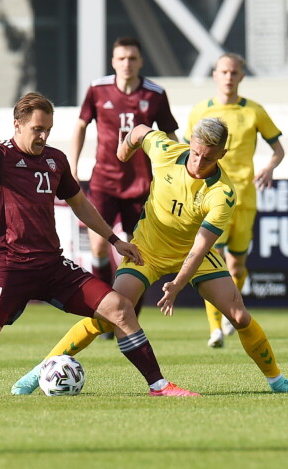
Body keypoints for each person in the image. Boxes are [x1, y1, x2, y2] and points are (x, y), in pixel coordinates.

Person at [0, 92, 196, 397]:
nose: (43, 136)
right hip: (11, 267)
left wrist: (114, 239)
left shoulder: (55, 161)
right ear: (17, 125)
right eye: (37, 129)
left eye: (48, 129)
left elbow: (80, 204)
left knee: (120, 308)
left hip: (52, 267)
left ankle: (159, 386)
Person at [11, 117, 288, 395]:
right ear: (190, 144)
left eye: (208, 157)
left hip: (192, 255)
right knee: (107, 315)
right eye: (195, 153)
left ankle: (278, 381)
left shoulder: (222, 193)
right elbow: (140, 131)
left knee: (239, 316)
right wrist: (124, 150)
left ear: (221, 154)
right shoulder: (166, 150)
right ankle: (38, 372)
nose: (198, 161)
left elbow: (199, 247)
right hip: (147, 250)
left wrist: (177, 285)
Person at [70, 37, 179, 337]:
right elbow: (80, 125)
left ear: (140, 61)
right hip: (104, 180)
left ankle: (126, 319)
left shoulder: (155, 94)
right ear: (113, 61)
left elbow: (171, 136)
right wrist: (72, 165)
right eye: (121, 58)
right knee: (98, 245)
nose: (126, 63)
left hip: (142, 186)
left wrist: (177, 175)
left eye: (132, 58)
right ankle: (103, 310)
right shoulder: (97, 89)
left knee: (137, 254)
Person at [185, 53, 286, 348]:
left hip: (245, 197)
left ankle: (229, 315)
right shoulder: (200, 112)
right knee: (211, 262)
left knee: (237, 267)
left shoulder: (254, 111)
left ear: (241, 76)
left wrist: (269, 167)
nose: (228, 77)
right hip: (214, 198)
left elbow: (278, 149)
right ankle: (215, 328)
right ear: (215, 74)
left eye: (234, 72)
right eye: (224, 71)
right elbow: (186, 152)